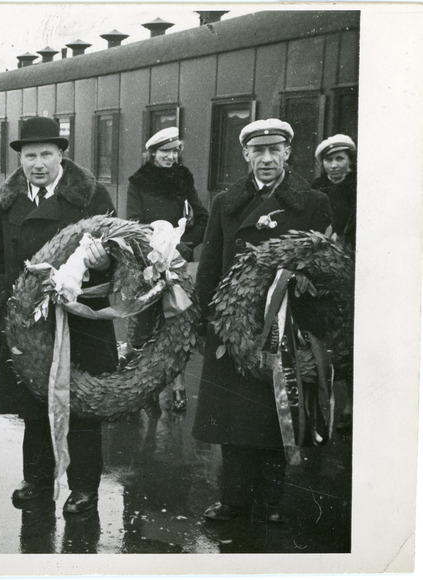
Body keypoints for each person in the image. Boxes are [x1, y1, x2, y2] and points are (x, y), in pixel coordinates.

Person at [192, 119, 332, 524]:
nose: (266, 159)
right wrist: (207, 319)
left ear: (288, 153)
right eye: (259, 151)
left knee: (276, 411)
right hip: (234, 326)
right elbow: (211, 267)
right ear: (246, 154)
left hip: (283, 325)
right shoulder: (225, 202)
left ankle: (271, 500)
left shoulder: (313, 202)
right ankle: (233, 498)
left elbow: (324, 267)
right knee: (235, 417)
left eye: (275, 150)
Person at [0, 116, 117, 516]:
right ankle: (36, 480)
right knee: (35, 401)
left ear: (61, 155)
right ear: (21, 159)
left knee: (82, 401)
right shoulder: (8, 202)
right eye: (30, 156)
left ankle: (84, 487)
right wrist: (5, 296)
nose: (38, 164)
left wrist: (101, 262)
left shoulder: (92, 197)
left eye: (46, 154)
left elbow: (120, 253)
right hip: (27, 323)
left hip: (80, 317)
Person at [126, 126, 209, 411]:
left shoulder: (183, 179)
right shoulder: (137, 182)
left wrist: (185, 247)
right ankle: (146, 388)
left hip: (178, 263)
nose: (171, 157)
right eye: (165, 152)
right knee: (145, 326)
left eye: (175, 151)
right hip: (147, 263)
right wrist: (153, 250)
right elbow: (133, 222)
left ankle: (177, 385)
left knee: (178, 324)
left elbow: (202, 217)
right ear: (152, 154)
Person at [312, 134, 357, 431]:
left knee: (351, 337)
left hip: (354, 268)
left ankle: (352, 406)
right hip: (324, 270)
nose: (334, 165)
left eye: (340, 158)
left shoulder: (363, 189)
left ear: (350, 161)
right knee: (322, 334)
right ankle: (319, 405)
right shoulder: (317, 190)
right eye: (329, 159)